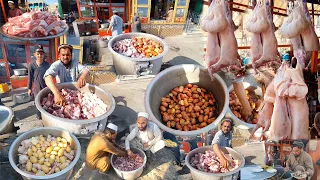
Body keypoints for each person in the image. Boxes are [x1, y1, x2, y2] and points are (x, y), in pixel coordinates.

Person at [28, 45, 50, 119]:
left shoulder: (47, 65)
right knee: (37, 101)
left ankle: (46, 115)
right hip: (36, 87)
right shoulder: (32, 65)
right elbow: (30, 77)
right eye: (38, 54)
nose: (39, 55)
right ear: (34, 54)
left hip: (45, 86)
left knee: (45, 100)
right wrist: (29, 88)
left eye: (41, 54)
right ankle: (38, 115)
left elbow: (50, 76)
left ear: (44, 55)